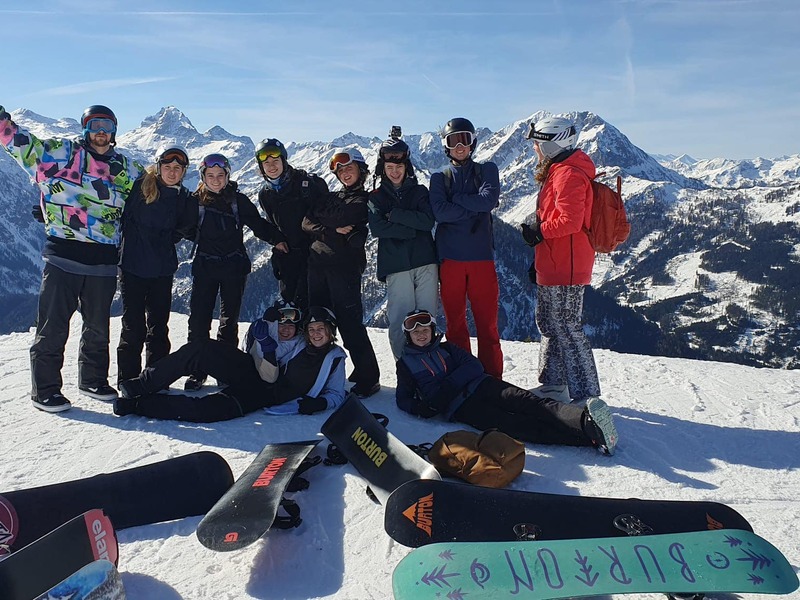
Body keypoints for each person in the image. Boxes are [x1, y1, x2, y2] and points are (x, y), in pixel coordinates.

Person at [0, 103, 142, 412]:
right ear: (85, 128)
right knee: (52, 327)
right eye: (95, 125)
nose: (101, 132)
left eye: (107, 126)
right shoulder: (61, 155)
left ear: (114, 131)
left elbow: (152, 196)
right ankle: (45, 390)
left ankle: (92, 379)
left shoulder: (128, 170)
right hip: (64, 255)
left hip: (104, 260)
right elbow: (19, 143)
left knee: (98, 327)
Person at [395, 310, 618, 454]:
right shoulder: (405, 364)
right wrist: (422, 408)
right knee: (515, 426)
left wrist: (447, 387)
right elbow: (402, 398)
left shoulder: (447, 348)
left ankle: (584, 420)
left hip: (482, 385)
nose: (421, 335)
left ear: (433, 331)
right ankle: (586, 438)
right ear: (409, 337)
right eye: (416, 333)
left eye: (425, 330)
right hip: (462, 407)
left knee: (530, 403)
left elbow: (474, 366)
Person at [114, 306, 346, 422]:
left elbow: (337, 393)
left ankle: (139, 407)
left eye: (321, 330)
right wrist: (264, 327)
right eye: (312, 329)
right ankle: (143, 385)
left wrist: (319, 404)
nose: (316, 334)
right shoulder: (296, 340)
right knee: (201, 348)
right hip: (251, 371)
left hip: (264, 394)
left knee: (207, 410)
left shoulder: (334, 358)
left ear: (330, 332)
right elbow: (267, 335)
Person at [521, 116, 602, 404]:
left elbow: (570, 221)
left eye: (537, 143)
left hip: (567, 265)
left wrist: (537, 231)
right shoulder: (558, 170)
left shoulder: (569, 174)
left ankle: (587, 396)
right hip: (554, 262)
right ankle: (554, 385)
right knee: (549, 323)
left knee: (567, 326)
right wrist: (538, 257)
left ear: (552, 144)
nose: (534, 149)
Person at [184, 152, 275, 391]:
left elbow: (259, 226)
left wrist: (281, 241)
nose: (215, 180)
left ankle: (224, 368)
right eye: (210, 175)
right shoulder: (194, 203)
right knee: (199, 320)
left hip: (233, 269)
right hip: (205, 268)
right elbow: (178, 227)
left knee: (229, 321)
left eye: (220, 175)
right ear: (203, 176)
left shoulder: (238, 201)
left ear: (227, 176)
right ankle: (198, 370)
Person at [428, 117, 503, 379]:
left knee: (487, 326)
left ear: (473, 143)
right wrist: (472, 206)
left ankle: (492, 378)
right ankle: (463, 376)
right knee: (456, 324)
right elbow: (439, 211)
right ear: (446, 146)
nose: (460, 146)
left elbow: (489, 201)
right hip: (450, 261)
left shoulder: (487, 170)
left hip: (481, 258)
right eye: (453, 140)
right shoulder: (439, 178)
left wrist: (457, 201)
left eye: (465, 139)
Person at [302, 149, 380, 398]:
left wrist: (320, 224)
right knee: (318, 321)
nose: (345, 173)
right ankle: (323, 374)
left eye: (350, 168)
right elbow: (305, 222)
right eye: (341, 170)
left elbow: (347, 215)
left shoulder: (363, 200)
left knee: (349, 323)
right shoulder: (331, 197)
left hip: (344, 268)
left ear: (361, 171)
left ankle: (369, 377)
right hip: (317, 266)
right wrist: (331, 228)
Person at [116, 145, 195, 385]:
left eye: (177, 168)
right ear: (158, 167)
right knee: (134, 328)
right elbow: (105, 201)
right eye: (168, 167)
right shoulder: (139, 188)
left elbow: (188, 226)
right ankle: (128, 381)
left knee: (159, 327)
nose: (172, 172)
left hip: (161, 271)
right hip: (133, 269)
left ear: (184, 171)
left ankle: (155, 379)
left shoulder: (184, 198)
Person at [368, 128, 438, 361]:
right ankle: (404, 368)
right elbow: (377, 228)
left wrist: (395, 215)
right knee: (399, 320)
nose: (395, 172)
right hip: (396, 265)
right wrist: (411, 227)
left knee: (428, 318)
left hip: (425, 261)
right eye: (390, 168)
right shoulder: (375, 197)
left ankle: (430, 364)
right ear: (383, 169)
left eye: (398, 167)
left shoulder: (419, 191)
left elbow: (427, 221)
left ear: (406, 167)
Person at [255, 138, 329, 311]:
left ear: (284, 161)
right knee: (291, 309)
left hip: (314, 256)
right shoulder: (266, 194)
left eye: (275, 161)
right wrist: (277, 242)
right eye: (266, 163)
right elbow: (272, 225)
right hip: (289, 259)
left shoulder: (306, 184)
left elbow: (327, 215)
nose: (271, 166)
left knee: (316, 309)